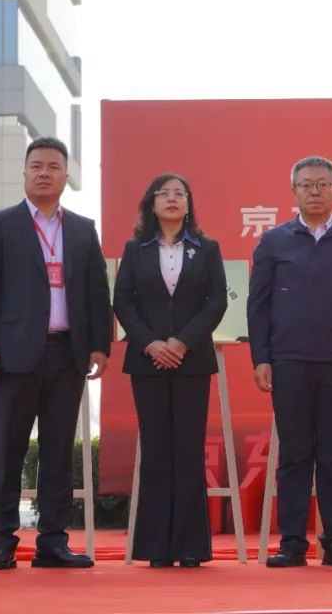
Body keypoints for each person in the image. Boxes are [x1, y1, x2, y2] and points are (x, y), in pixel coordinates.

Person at [0, 137, 112, 571]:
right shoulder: (1, 224)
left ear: (66, 176)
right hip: (13, 356)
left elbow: (96, 290)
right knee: (8, 452)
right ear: (25, 173)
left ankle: (53, 541)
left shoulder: (82, 229)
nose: (44, 173)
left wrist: (100, 344)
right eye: (36, 166)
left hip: (68, 354)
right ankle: (2, 543)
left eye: (53, 166)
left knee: (57, 454)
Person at [246, 155, 332, 568]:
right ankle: (291, 543)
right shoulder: (274, 242)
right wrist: (261, 357)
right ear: (294, 192)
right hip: (288, 361)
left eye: (323, 184)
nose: (315, 191)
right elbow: (258, 304)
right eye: (306, 185)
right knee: (294, 454)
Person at [114, 173, 227, 568]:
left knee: (189, 452)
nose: (173, 199)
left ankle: (191, 547)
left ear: (189, 203)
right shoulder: (136, 250)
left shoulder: (207, 249)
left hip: (191, 361)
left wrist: (181, 342)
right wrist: (151, 343)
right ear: (152, 203)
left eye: (181, 193)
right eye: (165, 193)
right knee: (156, 451)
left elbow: (216, 302)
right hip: (147, 362)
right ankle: (157, 547)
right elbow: (123, 302)